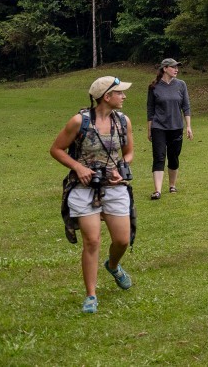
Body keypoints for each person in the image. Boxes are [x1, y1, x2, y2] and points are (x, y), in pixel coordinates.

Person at [50, 75, 136, 313]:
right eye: (120, 93)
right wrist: (78, 167)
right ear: (106, 97)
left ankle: (114, 265)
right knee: (92, 241)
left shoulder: (123, 121)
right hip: (83, 189)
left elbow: (128, 153)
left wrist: (121, 169)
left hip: (114, 186)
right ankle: (91, 295)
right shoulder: (79, 121)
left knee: (122, 240)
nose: (124, 96)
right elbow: (56, 149)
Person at [146, 58, 193, 199]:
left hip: (176, 126)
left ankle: (172, 185)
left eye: (177, 67)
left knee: (173, 157)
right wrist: (149, 129)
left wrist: (188, 126)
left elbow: (186, 106)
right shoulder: (154, 86)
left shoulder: (181, 85)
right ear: (165, 68)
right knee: (159, 156)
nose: (176, 69)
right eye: (173, 67)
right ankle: (157, 191)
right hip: (158, 127)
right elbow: (150, 109)